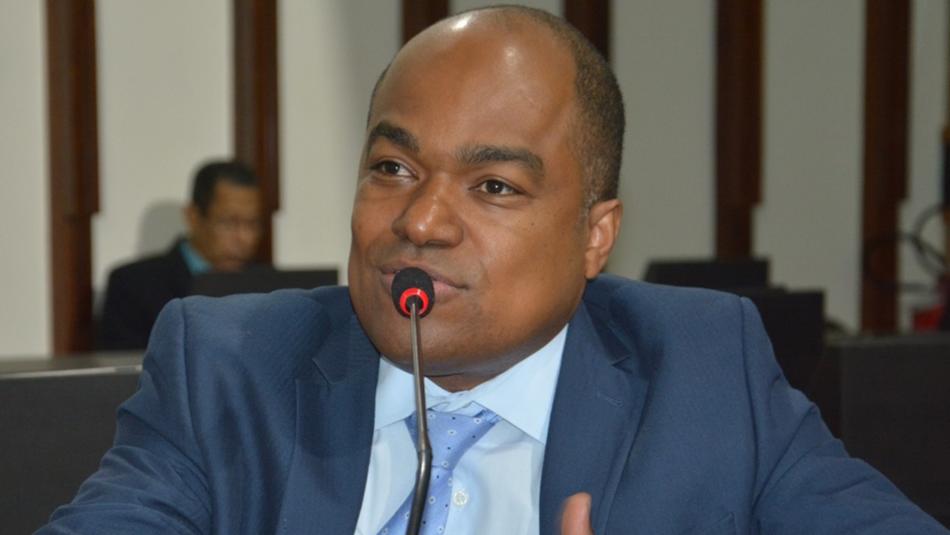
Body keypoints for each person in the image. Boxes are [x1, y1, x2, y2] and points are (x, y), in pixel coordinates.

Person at [42, 7, 946, 534]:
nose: (421, 221)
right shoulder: (226, 368)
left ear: (596, 237)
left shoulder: (707, 372)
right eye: (392, 167)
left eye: (495, 186)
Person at [98, 160, 263, 350]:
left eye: (253, 224)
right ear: (193, 217)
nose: (245, 238)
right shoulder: (133, 285)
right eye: (229, 223)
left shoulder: (267, 286)